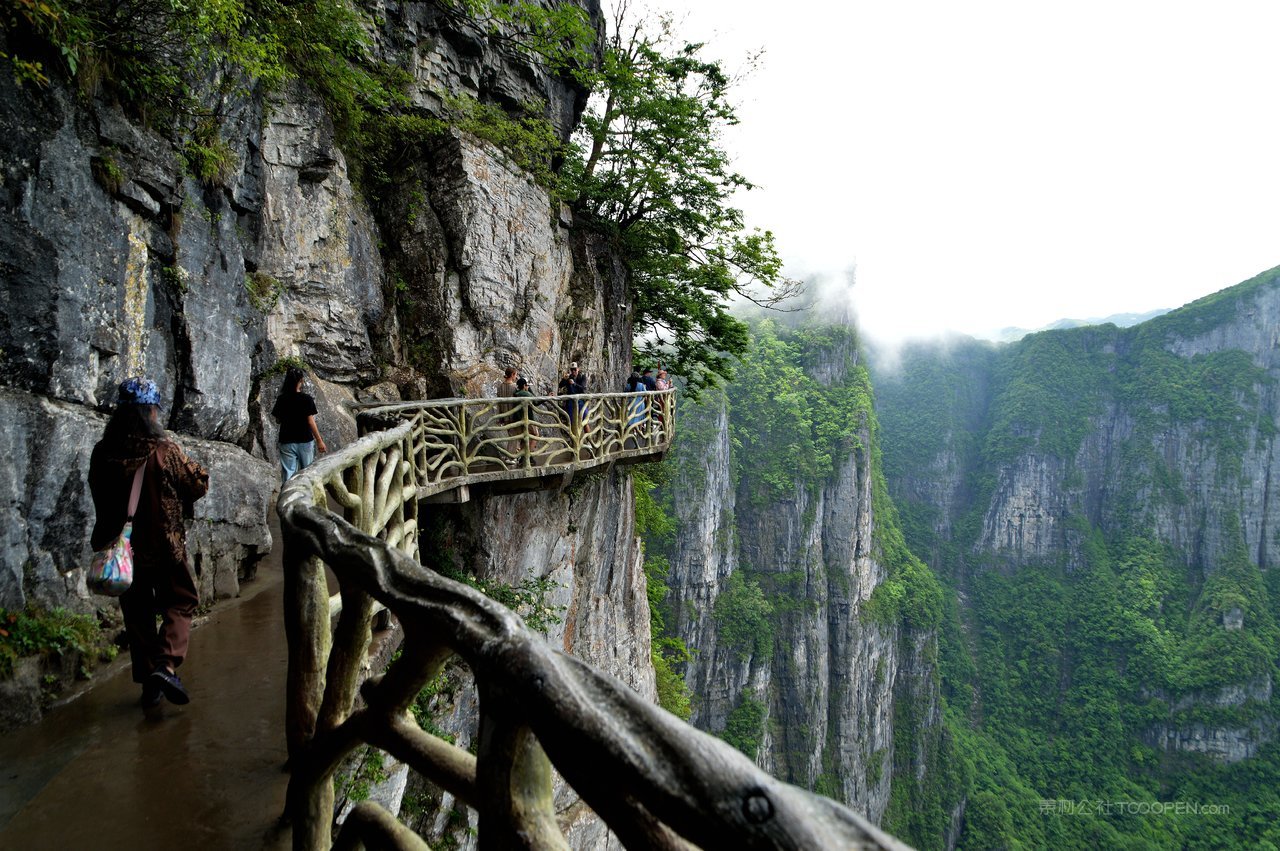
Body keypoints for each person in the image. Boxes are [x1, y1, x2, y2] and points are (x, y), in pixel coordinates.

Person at [89, 377, 209, 710]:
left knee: (138, 614)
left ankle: (149, 685)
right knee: (182, 600)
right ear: (151, 412)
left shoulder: (103, 453)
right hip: (165, 546)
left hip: (123, 552)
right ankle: (166, 666)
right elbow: (197, 483)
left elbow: (98, 493)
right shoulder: (164, 450)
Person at [272, 367, 327, 480]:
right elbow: (310, 421)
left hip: (286, 440)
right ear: (301, 380)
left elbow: (278, 420)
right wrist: (319, 440)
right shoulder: (306, 399)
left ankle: (288, 496)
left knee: (288, 474)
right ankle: (305, 496)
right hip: (305, 440)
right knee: (306, 473)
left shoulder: (281, 399)